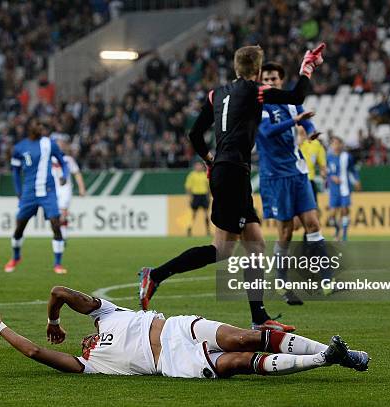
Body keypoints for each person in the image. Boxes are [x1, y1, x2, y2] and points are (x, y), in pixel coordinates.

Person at [139, 43, 326, 332]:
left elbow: (194, 133)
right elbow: (297, 95)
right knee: (223, 249)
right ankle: (156, 275)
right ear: (258, 70)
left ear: (236, 67)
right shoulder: (256, 91)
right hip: (234, 174)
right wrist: (307, 67)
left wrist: (208, 158)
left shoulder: (216, 93)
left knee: (256, 243)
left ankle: (259, 317)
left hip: (227, 171)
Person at [0, 285, 369, 378]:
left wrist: (54, 321)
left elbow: (59, 292)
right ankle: (324, 358)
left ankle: (344, 355)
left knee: (247, 335)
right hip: (172, 359)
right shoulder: (89, 363)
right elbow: (34, 353)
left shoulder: (106, 315)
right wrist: (0, 326)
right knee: (240, 361)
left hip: (179, 326)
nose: (85, 343)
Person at [255, 62, 331, 306]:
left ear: (280, 81)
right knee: (286, 232)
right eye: (266, 78)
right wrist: (296, 120)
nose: (270, 82)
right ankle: (281, 282)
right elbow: (267, 132)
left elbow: (305, 119)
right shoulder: (258, 104)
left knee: (313, 223)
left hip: (298, 171)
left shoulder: (289, 101)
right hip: (275, 176)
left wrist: (310, 130)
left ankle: (327, 278)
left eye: (274, 78)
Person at [4, 119, 70, 274]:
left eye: (42, 126)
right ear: (30, 128)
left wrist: (64, 175)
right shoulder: (19, 148)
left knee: (56, 223)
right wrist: (19, 192)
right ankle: (15, 257)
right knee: (20, 226)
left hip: (48, 191)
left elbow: (63, 161)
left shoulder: (49, 144)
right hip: (29, 192)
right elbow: (15, 172)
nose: (40, 128)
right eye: (37, 125)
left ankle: (57, 263)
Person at [51, 134, 86, 241]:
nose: (60, 145)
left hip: (65, 188)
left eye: (62, 143)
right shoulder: (49, 159)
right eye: (58, 143)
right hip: (53, 189)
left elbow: (77, 173)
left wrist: (82, 188)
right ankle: (61, 233)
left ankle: (63, 235)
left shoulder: (68, 159)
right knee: (55, 215)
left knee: (63, 211)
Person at [327, 137, 360, 241]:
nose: (336, 146)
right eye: (334, 144)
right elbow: (325, 171)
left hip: (345, 188)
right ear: (331, 145)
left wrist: (356, 180)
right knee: (332, 214)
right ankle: (337, 230)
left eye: (338, 143)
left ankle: (344, 236)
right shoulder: (328, 157)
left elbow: (353, 170)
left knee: (345, 210)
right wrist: (331, 177)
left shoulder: (347, 157)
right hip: (334, 189)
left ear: (341, 145)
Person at [184, 161, 211, 236]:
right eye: (197, 165)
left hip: (203, 195)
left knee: (206, 214)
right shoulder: (192, 175)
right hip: (195, 196)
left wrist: (208, 196)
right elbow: (188, 187)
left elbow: (208, 187)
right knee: (193, 214)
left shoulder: (205, 174)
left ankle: (208, 231)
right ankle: (189, 229)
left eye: (200, 165)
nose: (198, 167)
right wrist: (190, 197)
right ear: (195, 167)